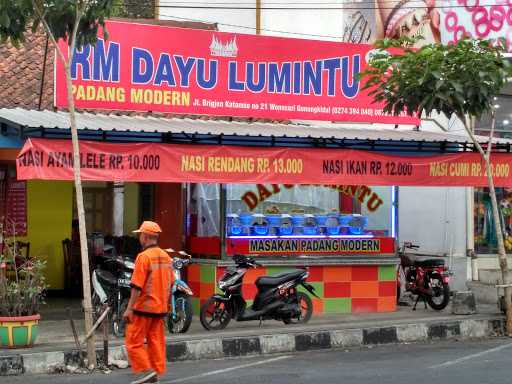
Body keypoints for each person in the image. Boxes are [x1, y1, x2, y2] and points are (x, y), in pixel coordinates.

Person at [124, 221, 172, 384]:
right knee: (156, 342)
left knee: (133, 342)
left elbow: (137, 286)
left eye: (140, 235)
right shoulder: (166, 257)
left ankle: (145, 370)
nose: (139, 238)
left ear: (145, 237)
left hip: (143, 308)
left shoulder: (143, 257)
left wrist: (129, 309)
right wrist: (168, 306)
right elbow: (170, 283)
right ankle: (155, 373)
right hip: (160, 309)